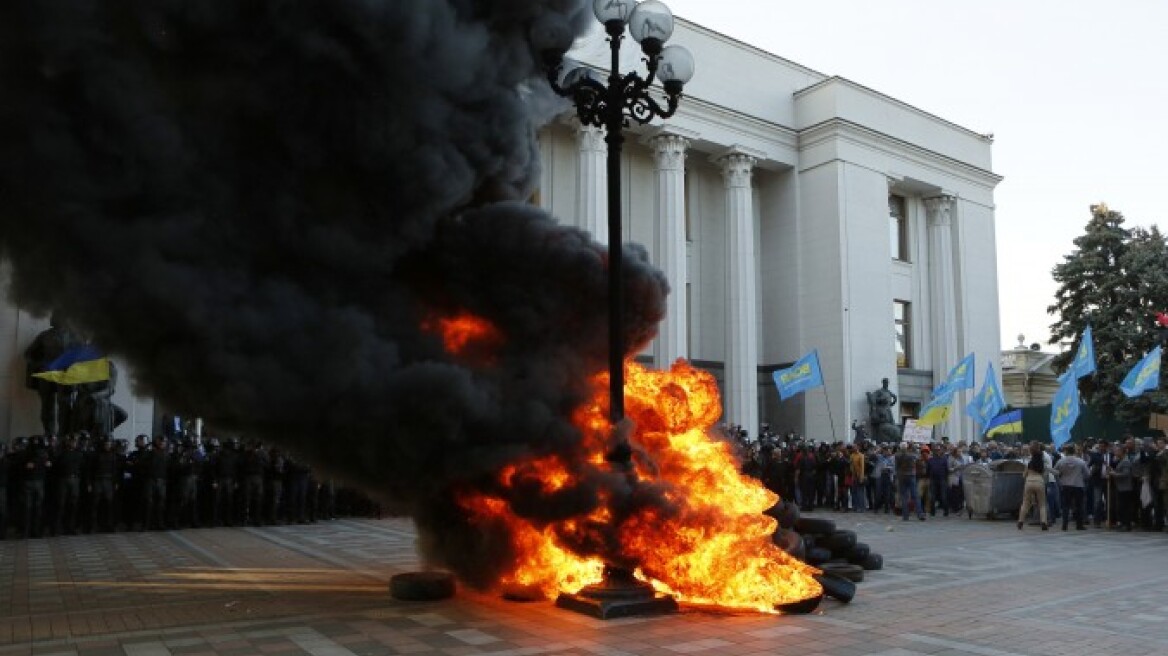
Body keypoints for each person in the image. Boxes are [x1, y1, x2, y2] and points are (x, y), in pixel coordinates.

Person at [23, 311, 78, 437]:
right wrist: (40, 365)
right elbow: (28, 354)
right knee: (47, 408)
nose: (54, 319)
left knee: (65, 407)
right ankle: (49, 435)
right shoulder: (44, 336)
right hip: (47, 375)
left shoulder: (74, 336)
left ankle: (63, 435)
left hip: (65, 376)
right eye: (54, 317)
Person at [1053, 443, 1089, 530]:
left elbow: (1055, 471)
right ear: (1074, 451)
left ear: (1066, 451)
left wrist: (1060, 476)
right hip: (1078, 485)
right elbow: (1087, 474)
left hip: (1065, 485)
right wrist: (1082, 478)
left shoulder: (1061, 461)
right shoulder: (1081, 461)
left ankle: (1064, 525)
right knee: (1078, 505)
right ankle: (1079, 525)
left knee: (1066, 506)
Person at [1017, 441, 1050, 531]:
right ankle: (1044, 522)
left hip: (1029, 482)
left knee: (1025, 503)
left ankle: (1020, 521)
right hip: (1039, 482)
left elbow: (1024, 475)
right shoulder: (1041, 462)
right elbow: (1043, 474)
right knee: (1042, 504)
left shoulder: (1029, 463)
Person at [894, 443, 925, 521]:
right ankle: (920, 514)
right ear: (907, 447)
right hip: (911, 475)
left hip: (902, 476)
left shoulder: (897, 455)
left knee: (904, 497)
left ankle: (905, 516)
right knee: (915, 496)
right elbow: (918, 459)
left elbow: (896, 467)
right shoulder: (911, 455)